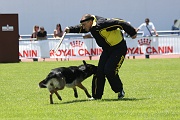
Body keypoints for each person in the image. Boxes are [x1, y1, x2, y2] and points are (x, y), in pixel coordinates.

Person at [64, 14, 137, 100]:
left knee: (109, 70)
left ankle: (119, 90)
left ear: (90, 22)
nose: (83, 27)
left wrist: (132, 32)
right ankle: (96, 96)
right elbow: (81, 28)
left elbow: (120, 22)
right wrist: (70, 29)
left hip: (118, 48)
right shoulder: (91, 25)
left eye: (84, 25)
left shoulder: (102, 24)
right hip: (107, 49)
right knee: (99, 72)